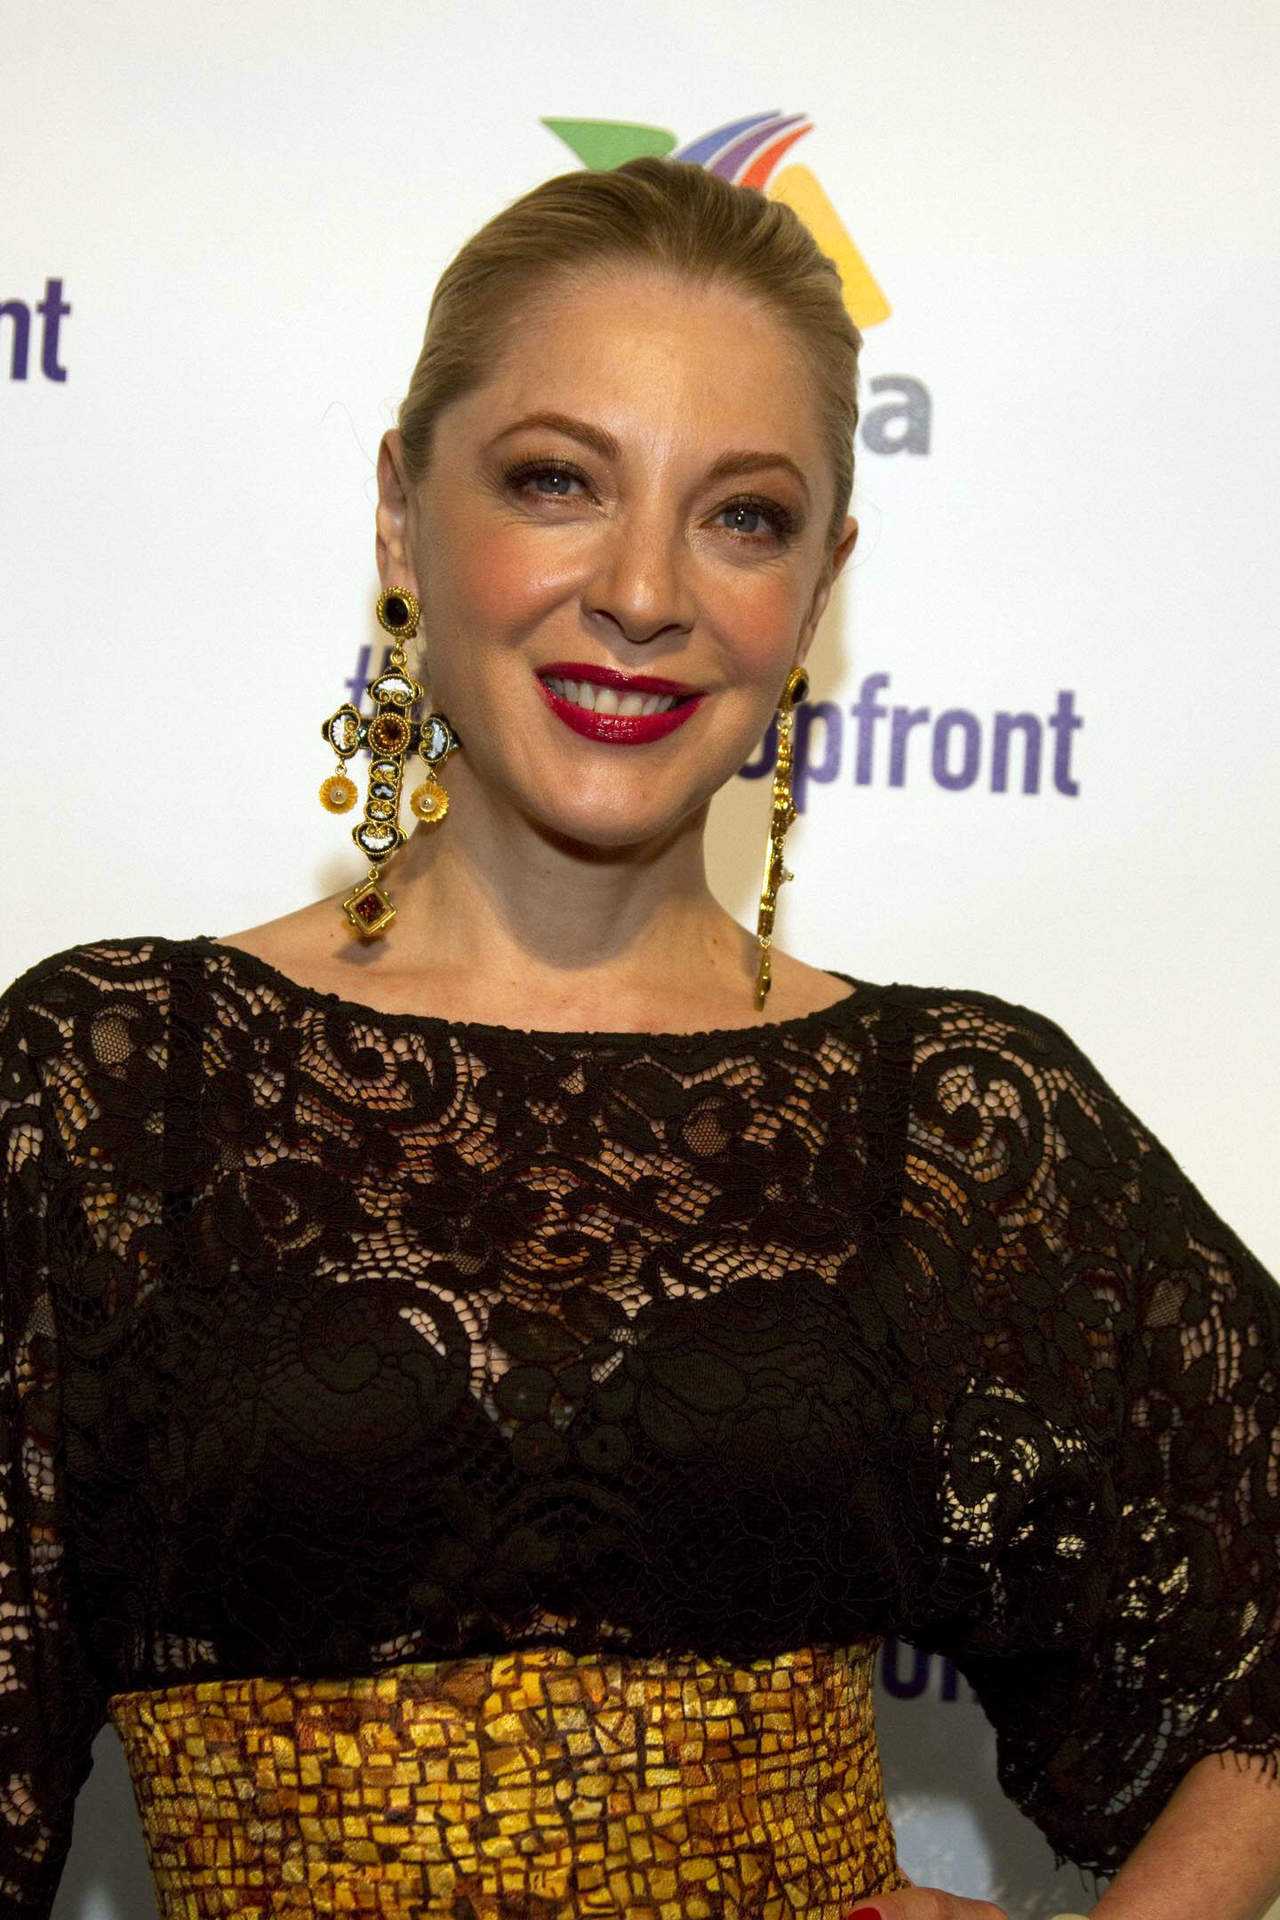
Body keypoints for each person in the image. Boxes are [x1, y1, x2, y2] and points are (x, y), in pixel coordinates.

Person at [1, 157, 1277, 1920]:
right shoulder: (120, 1085)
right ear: (401, 514)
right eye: (557, 481)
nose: (645, 590)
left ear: (818, 585)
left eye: (742, 516)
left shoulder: (942, 1124)